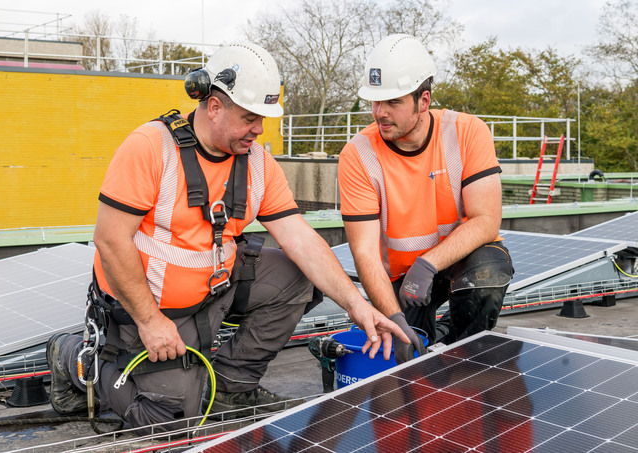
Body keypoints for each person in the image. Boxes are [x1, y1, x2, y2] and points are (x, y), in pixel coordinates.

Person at [45, 42, 409, 433]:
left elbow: (301, 240)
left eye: (263, 119)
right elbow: (111, 240)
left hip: (213, 292)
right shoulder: (151, 148)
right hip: (148, 305)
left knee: (296, 275)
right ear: (215, 106)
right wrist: (150, 322)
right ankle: (70, 356)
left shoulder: (256, 163)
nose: (260, 129)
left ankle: (231, 390)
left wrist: (356, 305)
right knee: (169, 422)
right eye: (251, 117)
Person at [338, 34, 514, 364]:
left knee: (488, 272)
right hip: (399, 280)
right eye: (376, 102)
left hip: (456, 261)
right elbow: (364, 253)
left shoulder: (467, 132)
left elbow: (486, 220)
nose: (380, 113)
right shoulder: (357, 155)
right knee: (401, 349)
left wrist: (428, 264)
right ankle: (433, 341)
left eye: (393, 102)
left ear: (424, 100)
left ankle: (463, 362)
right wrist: (394, 317)